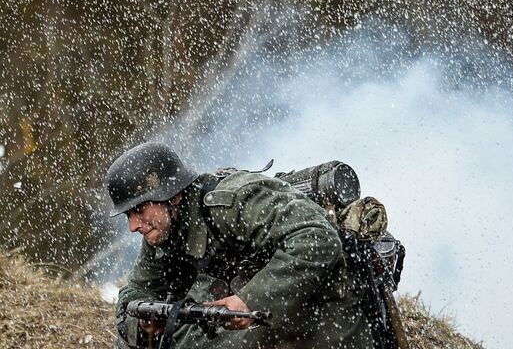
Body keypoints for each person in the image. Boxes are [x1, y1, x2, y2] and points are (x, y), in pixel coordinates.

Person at [106, 142, 373, 348]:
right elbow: (136, 293)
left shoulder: (232, 202)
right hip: (267, 319)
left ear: (172, 197)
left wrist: (250, 299)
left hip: (324, 312)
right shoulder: (163, 229)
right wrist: (142, 325)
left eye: (139, 209)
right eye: (129, 215)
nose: (133, 225)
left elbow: (318, 238)